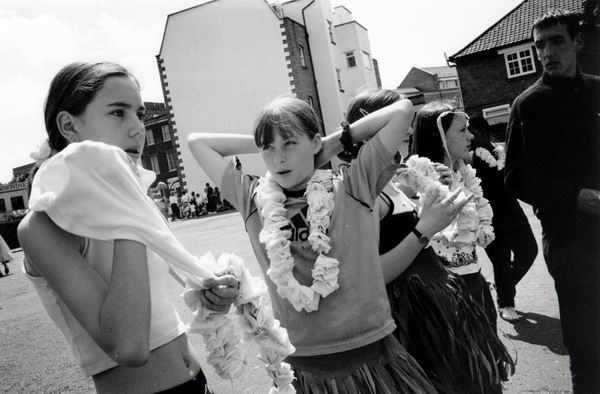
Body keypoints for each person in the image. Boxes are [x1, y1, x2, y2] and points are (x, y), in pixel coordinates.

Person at [17, 62, 239, 393]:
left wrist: (214, 292)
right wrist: (123, 203)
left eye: (139, 115)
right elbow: (128, 346)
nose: (138, 129)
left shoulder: (135, 203)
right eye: (118, 113)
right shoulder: (41, 226)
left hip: (197, 384)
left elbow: (180, 288)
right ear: (68, 126)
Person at [189, 96, 437, 392]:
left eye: (290, 144)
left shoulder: (353, 184)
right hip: (302, 369)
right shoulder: (253, 198)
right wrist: (269, 137)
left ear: (316, 142)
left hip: (372, 359)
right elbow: (197, 142)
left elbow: (402, 111)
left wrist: (334, 142)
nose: (278, 158)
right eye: (268, 147)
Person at [344, 90, 513, 393]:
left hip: (440, 307)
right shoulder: (366, 194)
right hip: (420, 322)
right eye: (398, 123)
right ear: (370, 131)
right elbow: (371, 275)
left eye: (407, 124)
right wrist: (424, 229)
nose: (407, 131)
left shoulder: (395, 181)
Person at [504, 9, 600, 392]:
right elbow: (515, 177)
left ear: (577, 42)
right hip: (569, 240)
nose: (546, 52)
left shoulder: (597, 89)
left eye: (556, 41)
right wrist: (573, 197)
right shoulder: (528, 105)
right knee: (587, 346)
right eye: (539, 44)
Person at [411, 102, 499, 329]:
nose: (470, 136)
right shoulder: (416, 180)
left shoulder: (463, 174)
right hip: (444, 297)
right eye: (462, 130)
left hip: (474, 282)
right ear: (439, 136)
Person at [469, 116, 538, 322]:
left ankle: (503, 287)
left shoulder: (499, 151)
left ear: (483, 131)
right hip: (490, 216)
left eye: (471, 131)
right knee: (501, 260)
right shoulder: (469, 157)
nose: (468, 136)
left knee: (529, 251)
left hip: (513, 211)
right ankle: (507, 303)